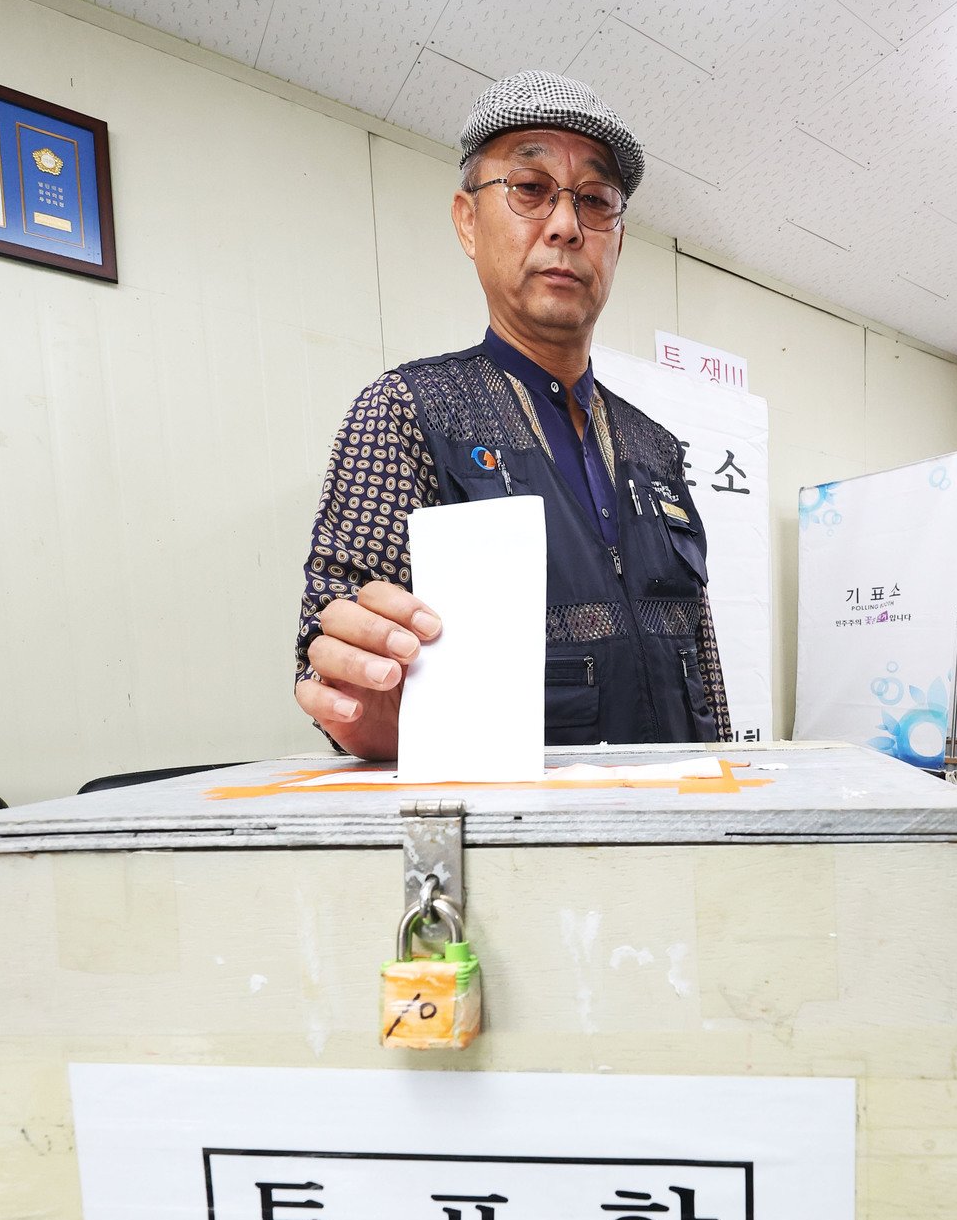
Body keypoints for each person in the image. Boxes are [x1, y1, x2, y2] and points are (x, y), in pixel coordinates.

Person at [293, 70, 730, 758]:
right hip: (517, 849)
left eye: (595, 201)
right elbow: (337, 658)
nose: (565, 225)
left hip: (683, 835)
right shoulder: (408, 412)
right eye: (530, 190)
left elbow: (702, 664)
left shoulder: (657, 448)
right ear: (468, 220)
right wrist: (362, 705)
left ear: (617, 240)